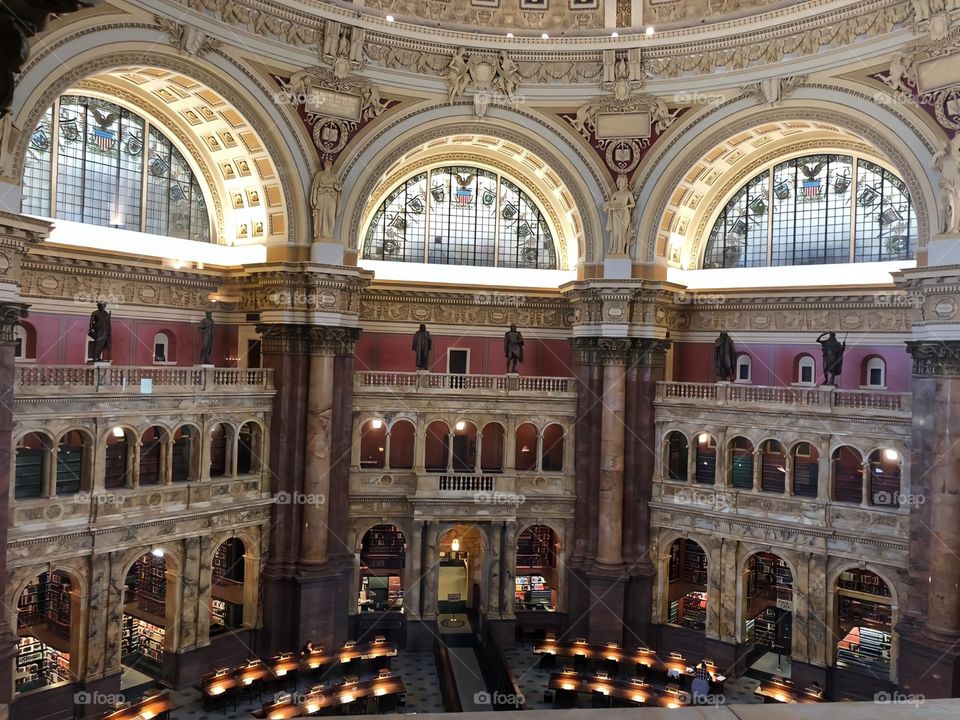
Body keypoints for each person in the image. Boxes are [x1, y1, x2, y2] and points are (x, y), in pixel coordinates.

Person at [604, 174, 635, 255]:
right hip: (616, 213)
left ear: (625, 183)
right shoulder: (615, 194)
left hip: (624, 213)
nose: (621, 183)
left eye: (622, 182)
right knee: (616, 232)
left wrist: (626, 206)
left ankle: (621, 250)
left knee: (623, 231)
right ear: (618, 183)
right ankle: (614, 250)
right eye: (619, 182)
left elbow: (633, 204)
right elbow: (610, 203)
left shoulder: (628, 193)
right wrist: (609, 207)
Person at [310, 158, 341, 241]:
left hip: (331, 197)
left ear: (331, 166)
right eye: (326, 163)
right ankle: (320, 234)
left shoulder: (334, 176)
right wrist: (314, 200)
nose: (327, 164)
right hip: (321, 196)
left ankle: (329, 234)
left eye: (329, 163)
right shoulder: (320, 174)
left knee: (331, 216)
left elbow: (339, 187)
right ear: (324, 165)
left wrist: (336, 187)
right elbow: (315, 187)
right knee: (321, 215)